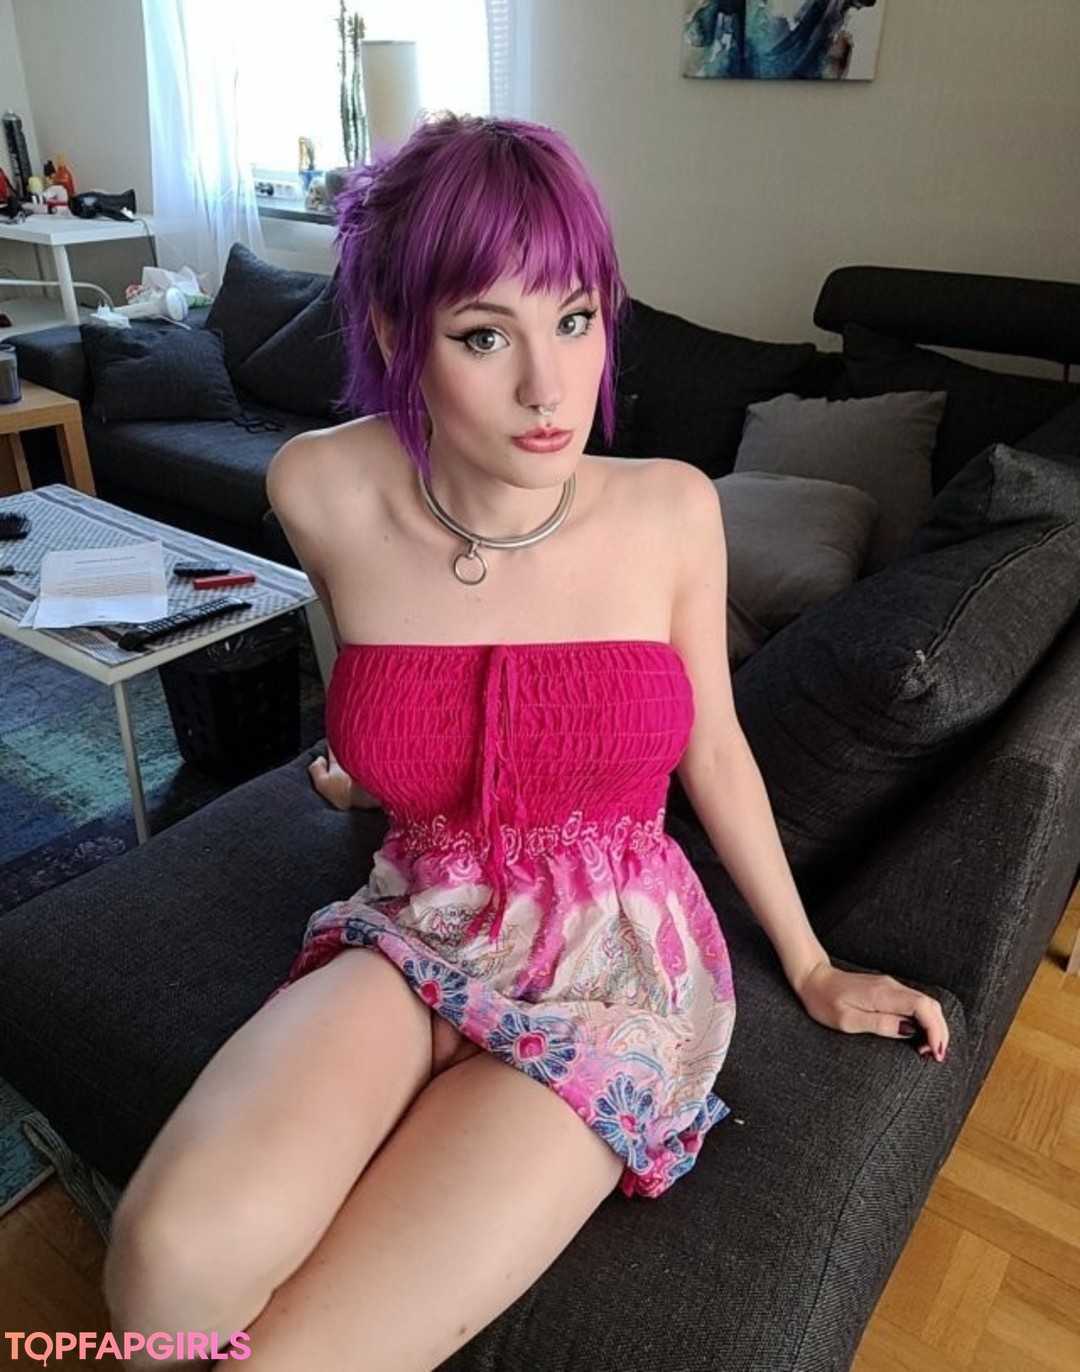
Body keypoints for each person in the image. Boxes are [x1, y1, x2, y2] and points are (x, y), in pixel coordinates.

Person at [103, 113, 948, 1370]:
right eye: (485, 334)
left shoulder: (670, 510)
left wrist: (815, 964)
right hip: (419, 917)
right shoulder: (317, 489)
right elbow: (398, 690)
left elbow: (715, 750)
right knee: (165, 1261)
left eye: (576, 317)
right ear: (398, 333)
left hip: (614, 969)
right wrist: (366, 771)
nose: (552, 390)